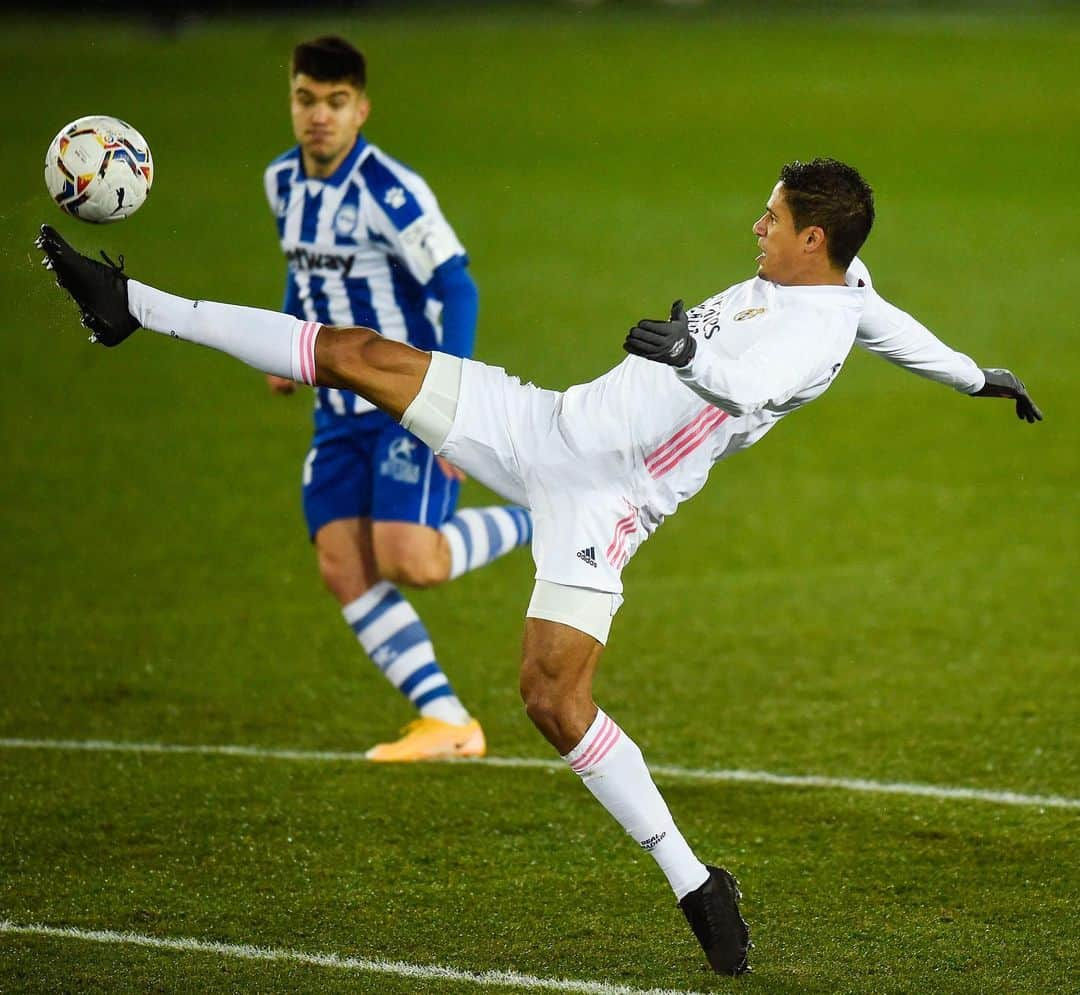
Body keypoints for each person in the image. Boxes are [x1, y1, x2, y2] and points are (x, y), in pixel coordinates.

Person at [36, 156, 1041, 974]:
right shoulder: (845, 285)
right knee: (353, 352)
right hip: (545, 421)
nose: (756, 228)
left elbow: (742, 387)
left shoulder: (806, 326)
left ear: (811, 237)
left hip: (606, 500)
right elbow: (891, 323)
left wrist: (691, 352)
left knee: (551, 700)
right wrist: (977, 376)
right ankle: (132, 304)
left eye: (770, 219)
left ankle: (695, 880)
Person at [262, 36, 533, 762]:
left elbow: (457, 285)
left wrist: (455, 403)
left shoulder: (391, 191)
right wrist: (288, 345)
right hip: (338, 413)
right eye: (306, 99)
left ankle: (543, 514)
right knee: (342, 564)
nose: (319, 116)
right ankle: (447, 720)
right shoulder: (281, 182)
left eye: (336, 102)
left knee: (412, 559)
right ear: (292, 100)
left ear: (361, 109)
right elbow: (304, 267)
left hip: (407, 399)